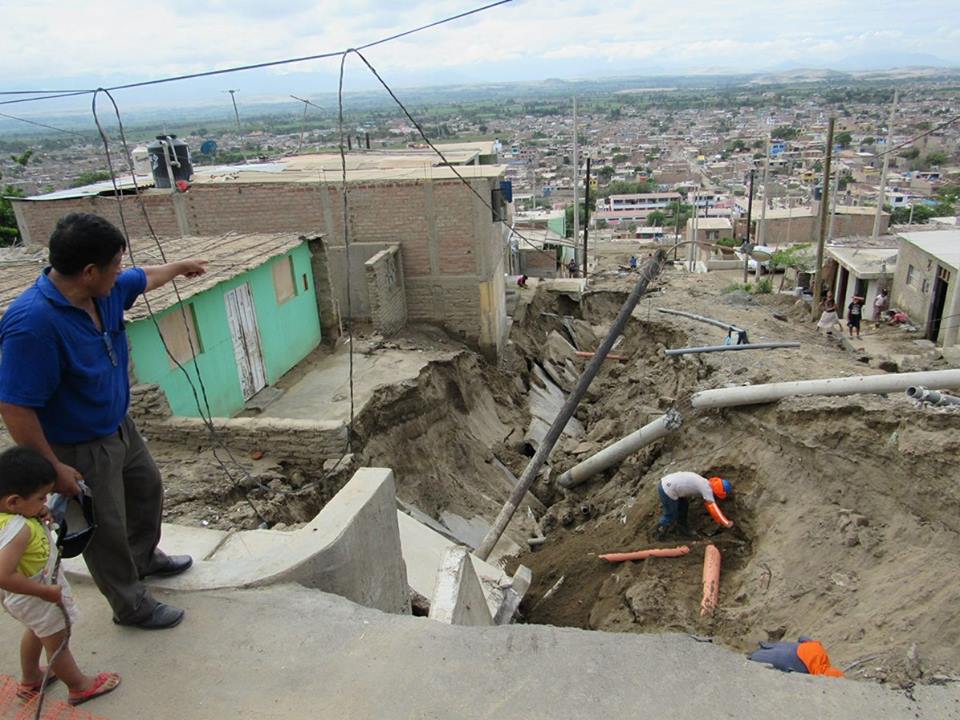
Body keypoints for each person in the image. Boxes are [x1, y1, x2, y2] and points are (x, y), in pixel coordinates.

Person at [0, 213, 207, 630]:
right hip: (77, 445)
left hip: (118, 426)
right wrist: (52, 469)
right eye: (114, 264)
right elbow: (15, 407)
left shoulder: (105, 291)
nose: (120, 271)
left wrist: (179, 268)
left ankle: (143, 558)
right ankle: (130, 605)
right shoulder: (34, 325)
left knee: (146, 487)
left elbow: (143, 277)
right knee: (106, 526)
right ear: (89, 271)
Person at [0, 447, 121, 705]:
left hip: (26, 597)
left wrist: (35, 513)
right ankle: (79, 686)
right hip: (37, 593)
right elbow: (3, 574)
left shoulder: (12, 516)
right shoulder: (18, 530)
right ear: (13, 501)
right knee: (58, 641)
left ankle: (31, 678)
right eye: (41, 498)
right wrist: (44, 592)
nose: (45, 503)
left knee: (37, 630)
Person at [655, 471, 733, 540]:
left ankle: (682, 530)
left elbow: (709, 505)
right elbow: (713, 508)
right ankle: (659, 533)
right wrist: (725, 522)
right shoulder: (706, 488)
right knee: (671, 514)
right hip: (667, 489)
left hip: (669, 483)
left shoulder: (705, 482)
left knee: (683, 507)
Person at [748, 637, 843, 678]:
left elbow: (803, 638)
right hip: (792, 659)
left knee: (773, 648)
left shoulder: (819, 649)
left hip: (794, 650)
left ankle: (757, 651)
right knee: (761, 656)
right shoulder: (815, 670)